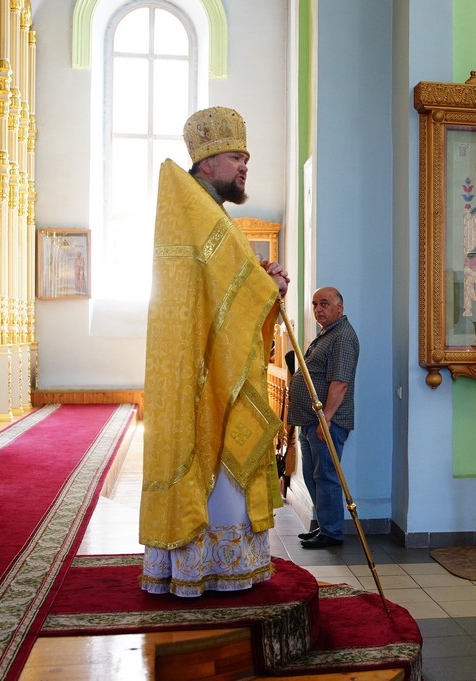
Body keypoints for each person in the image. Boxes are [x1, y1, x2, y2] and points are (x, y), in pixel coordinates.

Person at [139, 107, 290, 596]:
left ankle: (215, 568)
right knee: (215, 471)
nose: (245, 165)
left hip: (223, 368)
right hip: (209, 375)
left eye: (246, 158)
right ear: (207, 162)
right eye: (235, 157)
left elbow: (225, 291)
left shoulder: (210, 213)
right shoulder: (200, 212)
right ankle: (212, 570)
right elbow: (224, 293)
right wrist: (265, 289)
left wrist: (265, 285)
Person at [288, 287, 360, 549]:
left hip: (327, 421)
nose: (318, 309)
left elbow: (340, 382)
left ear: (339, 307)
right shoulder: (327, 334)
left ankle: (331, 533)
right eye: (315, 304)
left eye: (324, 304)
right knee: (314, 476)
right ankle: (325, 524)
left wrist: (325, 418)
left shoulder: (342, 337)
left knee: (327, 476)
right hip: (311, 420)